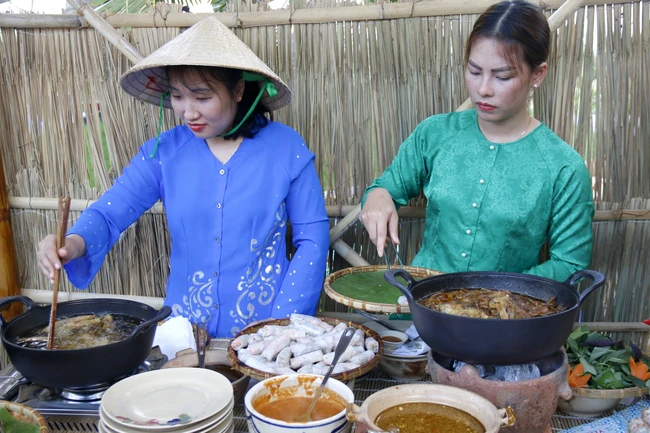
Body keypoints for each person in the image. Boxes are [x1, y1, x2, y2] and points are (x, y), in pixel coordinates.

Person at [37, 17, 330, 338]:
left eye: (202, 97)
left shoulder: (286, 148)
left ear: (238, 90)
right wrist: (72, 244)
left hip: (265, 333)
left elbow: (312, 239)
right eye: (177, 96)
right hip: (183, 334)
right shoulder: (163, 153)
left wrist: (283, 325)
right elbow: (108, 215)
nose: (188, 112)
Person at [360, 0, 594, 282]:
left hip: (506, 321)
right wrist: (377, 197)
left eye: (502, 76)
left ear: (538, 74)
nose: (483, 89)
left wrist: (494, 294)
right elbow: (386, 186)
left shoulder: (563, 167)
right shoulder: (435, 134)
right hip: (419, 312)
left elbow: (570, 264)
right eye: (474, 71)